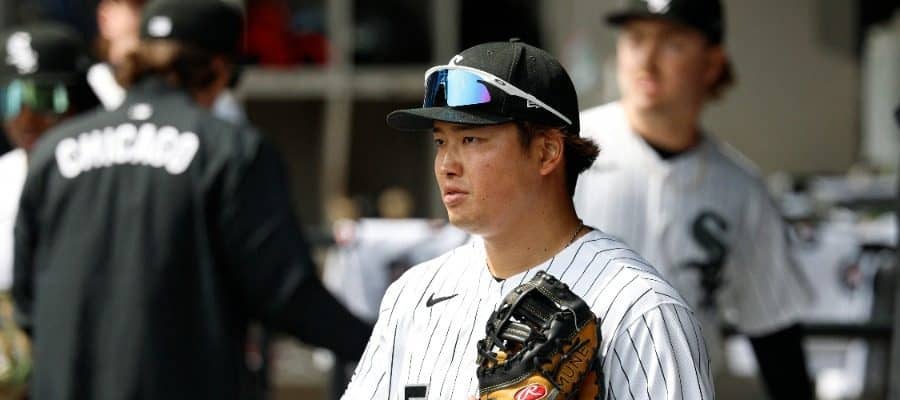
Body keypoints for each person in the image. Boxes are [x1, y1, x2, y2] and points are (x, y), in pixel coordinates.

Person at [12, 1, 369, 399]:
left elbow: (29, 301)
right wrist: (380, 343)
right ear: (219, 69)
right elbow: (286, 293)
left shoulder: (53, 153)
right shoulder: (230, 152)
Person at [342, 40, 714, 399]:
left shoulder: (641, 309)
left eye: (471, 139)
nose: (446, 165)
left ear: (547, 152)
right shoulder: (414, 294)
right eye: (441, 142)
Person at [573, 0, 815, 398]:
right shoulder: (559, 152)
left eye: (672, 43)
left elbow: (776, 335)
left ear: (712, 63)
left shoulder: (740, 189)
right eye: (635, 39)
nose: (647, 60)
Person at [0, 21, 99, 398]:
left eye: (46, 98)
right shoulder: (3, 176)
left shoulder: (109, 180)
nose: (26, 116)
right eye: (10, 98)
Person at [91, 0, 246, 123]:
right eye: (139, 4)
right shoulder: (84, 90)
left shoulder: (223, 105)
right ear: (105, 17)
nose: (154, 10)